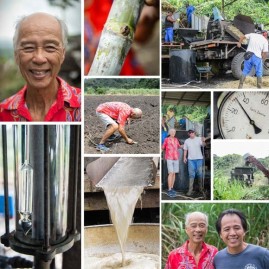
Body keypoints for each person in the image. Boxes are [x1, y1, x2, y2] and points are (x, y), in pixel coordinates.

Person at [0, 13, 81, 122]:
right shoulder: (3, 113)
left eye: (50, 47)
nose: (39, 58)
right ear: (16, 55)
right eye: (28, 47)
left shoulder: (82, 105)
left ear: (62, 54)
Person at [183, 129, 206, 196]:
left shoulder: (199, 139)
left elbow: (204, 145)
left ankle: (201, 190)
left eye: (192, 132)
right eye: (190, 133)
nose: (191, 133)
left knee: (199, 174)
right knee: (191, 175)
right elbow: (185, 150)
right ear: (188, 134)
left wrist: (204, 141)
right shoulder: (187, 141)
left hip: (199, 159)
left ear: (194, 133)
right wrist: (184, 157)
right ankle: (190, 191)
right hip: (190, 160)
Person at [162, 128, 181, 198]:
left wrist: (186, 145)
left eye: (174, 132)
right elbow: (162, 147)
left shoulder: (176, 139)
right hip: (169, 157)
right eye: (172, 132)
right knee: (171, 173)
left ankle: (172, 188)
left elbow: (179, 146)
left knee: (174, 173)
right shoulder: (166, 139)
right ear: (169, 133)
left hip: (176, 158)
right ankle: (169, 189)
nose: (173, 133)